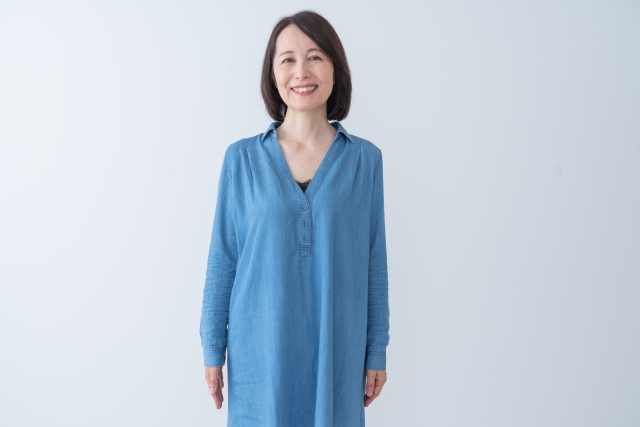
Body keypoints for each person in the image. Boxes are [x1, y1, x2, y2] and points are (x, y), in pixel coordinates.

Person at [199, 9, 390, 426]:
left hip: (337, 351)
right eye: (288, 59)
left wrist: (377, 349)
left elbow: (374, 261)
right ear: (273, 73)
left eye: (315, 56)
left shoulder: (365, 161)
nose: (301, 71)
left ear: (336, 69)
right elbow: (223, 260)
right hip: (259, 354)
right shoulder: (241, 160)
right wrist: (212, 347)